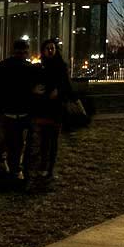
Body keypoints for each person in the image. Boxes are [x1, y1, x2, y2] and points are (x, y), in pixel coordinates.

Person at [0, 39, 35, 189]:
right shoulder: (29, 68)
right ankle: (16, 171)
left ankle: (7, 169)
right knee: (19, 145)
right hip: (23, 112)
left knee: (9, 142)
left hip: (9, 111)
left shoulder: (3, 66)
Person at [31, 39, 78, 181]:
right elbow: (35, 85)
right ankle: (43, 167)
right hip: (43, 108)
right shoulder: (40, 67)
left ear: (56, 50)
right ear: (43, 51)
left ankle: (49, 168)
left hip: (56, 108)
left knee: (53, 140)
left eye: (52, 48)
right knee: (44, 139)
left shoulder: (61, 67)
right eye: (47, 48)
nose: (50, 50)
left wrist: (59, 91)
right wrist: (34, 90)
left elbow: (67, 87)